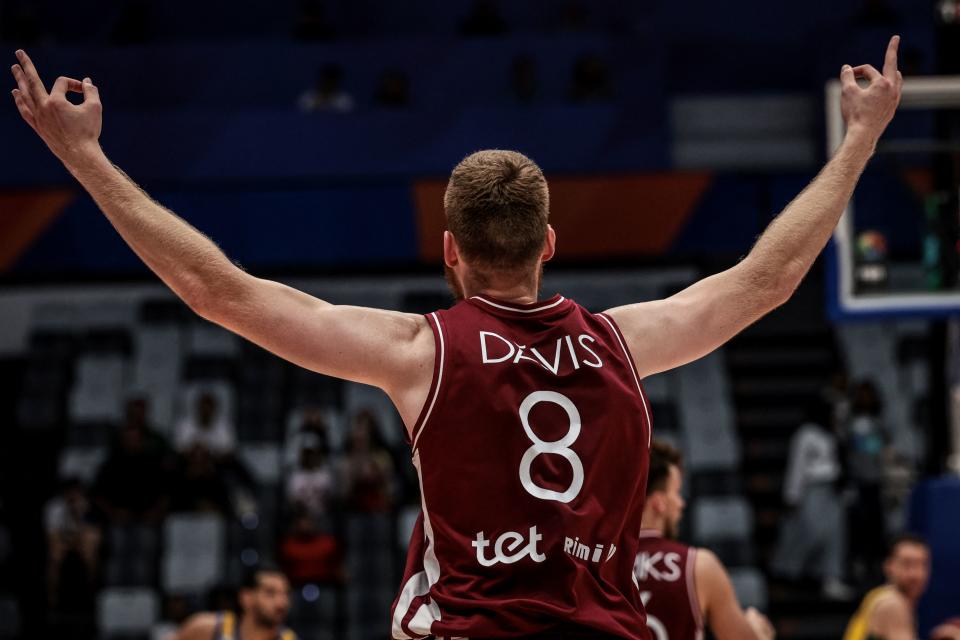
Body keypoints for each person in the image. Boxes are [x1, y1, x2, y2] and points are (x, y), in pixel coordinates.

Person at [10, 37, 903, 638]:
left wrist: (81, 155)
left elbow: (216, 291)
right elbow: (768, 279)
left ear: (449, 251)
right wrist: (860, 136)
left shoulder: (420, 352)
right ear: (549, 244)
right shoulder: (623, 343)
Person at [636, 441, 775, 640]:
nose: (681, 504)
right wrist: (758, 632)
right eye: (676, 493)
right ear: (659, 503)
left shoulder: (600, 563)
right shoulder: (699, 566)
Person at [771, 397, 852, 599]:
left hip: (831, 490)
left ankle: (831, 578)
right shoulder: (805, 435)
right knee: (810, 531)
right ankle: (788, 575)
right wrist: (792, 495)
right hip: (811, 490)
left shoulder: (833, 433)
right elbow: (797, 466)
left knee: (835, 534)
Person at [842, 534, 930, 640]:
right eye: (907, 564)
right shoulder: (893, 604)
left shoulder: (878, 595)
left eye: (921, 564)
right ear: (889, 566)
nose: (915, 574)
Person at [175, 564, 297, 640]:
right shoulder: (206, 628)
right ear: (246, 597)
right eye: (270, 593)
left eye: (286, 594)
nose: (282, 602)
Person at [175, 391, 237, 458]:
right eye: (203, 407)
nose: (205, 411)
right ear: (197, 408)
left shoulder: (224, 426)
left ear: (215, 409)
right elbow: (179, 449)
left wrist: (208, 451)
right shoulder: (185, 424)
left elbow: (229, 451)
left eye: (209, 408)